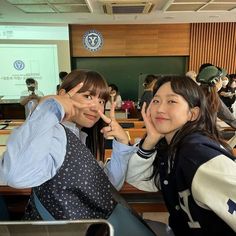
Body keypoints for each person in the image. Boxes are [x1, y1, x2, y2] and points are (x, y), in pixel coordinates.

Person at [101, 75, 236, 235]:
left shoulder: (197, 154)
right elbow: (136, 178)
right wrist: (151, 140)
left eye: (171, 101)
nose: (159, 108)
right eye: (156, 100)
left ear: (193, 114)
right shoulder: (171, 149)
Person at [1, 70, 119, 221]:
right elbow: (17, 176)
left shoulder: (78, 136)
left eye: (101, 101)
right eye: (88, 96)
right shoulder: (56, 134)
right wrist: (52, 107)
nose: (96, 108)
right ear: (63, 94)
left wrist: (121, 143)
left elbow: (105, 186)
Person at [196, 65, 236, 129]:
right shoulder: (212, 97)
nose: (222, 81)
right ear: (215, 81)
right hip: (204, 134)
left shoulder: (195, 92)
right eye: (221, 79)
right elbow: (230, 119)